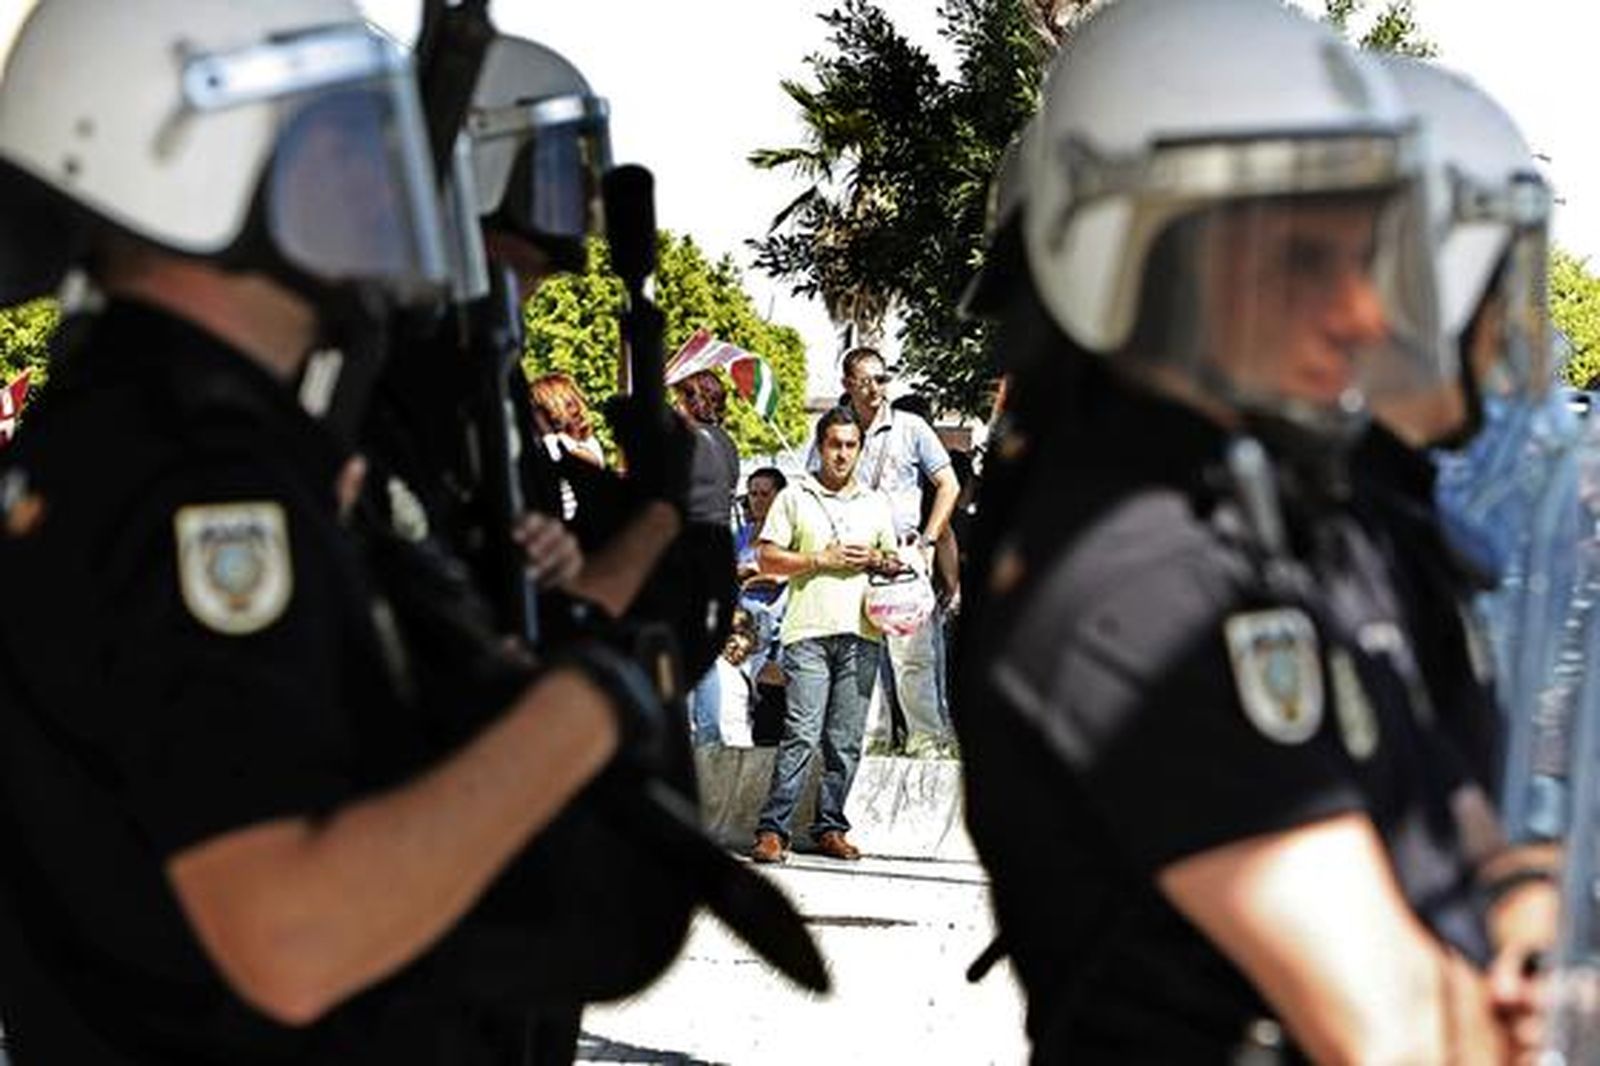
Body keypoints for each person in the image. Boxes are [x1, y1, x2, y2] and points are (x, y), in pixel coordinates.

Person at [0, 3, 665, 1062]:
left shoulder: (175, 431)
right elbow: (291, 936)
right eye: (341, 143)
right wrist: (591, 703)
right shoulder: (190, 476)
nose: (384, 181)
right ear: (188, 155)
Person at [956, 1, 1509, 1060]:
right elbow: (1393, 1032)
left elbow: (1464, 842)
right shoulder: (1137, 577)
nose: (1365, 314)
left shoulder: (1272, 521)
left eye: (1369, 257)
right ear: (1147, 259)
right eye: (1301, 259)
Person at [1357, 55, 1561, 1062]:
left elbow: (1444, 773)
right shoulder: (1294, 530)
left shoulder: (1396, 514)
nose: (1515, 334)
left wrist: (1525, 889)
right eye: (1495, 293)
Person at [750, 406, 902, 863]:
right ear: (820, 446)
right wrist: (821, 559)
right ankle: (772, 829)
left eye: (851, 445)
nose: (842, 454)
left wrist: (875, 559)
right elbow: (767, 559)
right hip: (808, 632)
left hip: (864, 631)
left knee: (846, 738)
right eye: (834, 444)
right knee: (801, 732)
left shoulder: (875, 502)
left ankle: (830, 825)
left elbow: (894, 562)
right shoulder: (795, 496)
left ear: (860, 449)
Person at [837, 347, 959, 755]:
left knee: (914, 655)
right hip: (853, 555)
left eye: (882, 379)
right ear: (847, 384)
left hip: (902, 553)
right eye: (865, 381)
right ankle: (872, 741)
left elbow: (949, 484)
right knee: (860, 656)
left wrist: (928, 541)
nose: (875, 388)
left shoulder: (911, 427)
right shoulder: (838, 429)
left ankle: (927, 740)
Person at [530, 371, 605, 467]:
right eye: (568, 405)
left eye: (576, 401)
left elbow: (593, 462)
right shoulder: (543, 447)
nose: (577, 410)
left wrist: (552, 437)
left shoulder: (588, 442)